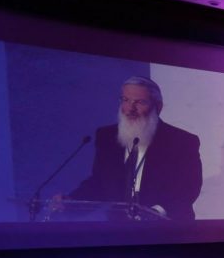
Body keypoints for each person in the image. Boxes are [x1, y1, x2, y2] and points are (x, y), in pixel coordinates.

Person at [68, 76, 202, 221]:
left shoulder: (182, 141)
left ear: (158, 107)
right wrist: (70, 201)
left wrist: (156, 212)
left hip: (166, 227)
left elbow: (189, 187)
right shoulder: (107, 136)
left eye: (140, 102)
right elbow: (100, 182)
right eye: (125, 100)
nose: (130, 109)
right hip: (119, 227)